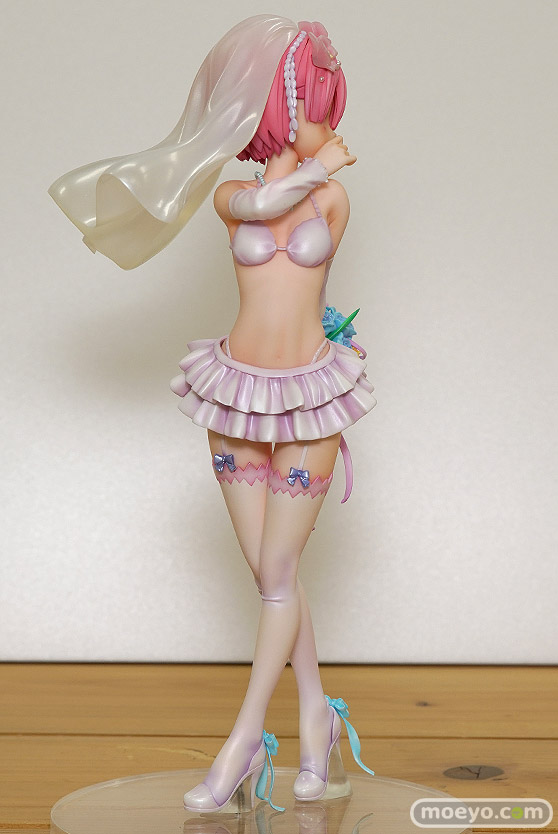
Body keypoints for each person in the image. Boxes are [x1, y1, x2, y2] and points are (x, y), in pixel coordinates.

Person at [48, 14, 377, 814]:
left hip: (309, 397)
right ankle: (317, 719)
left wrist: (317, 167)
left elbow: (294, 202)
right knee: (273, 575)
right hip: (235, 396)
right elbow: (261, 203)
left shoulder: (332, 200)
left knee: (277, 577)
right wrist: (314, 161)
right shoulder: (235, 198)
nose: (325, 119)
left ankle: (243, 742)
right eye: (311, 103)